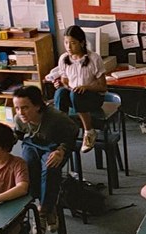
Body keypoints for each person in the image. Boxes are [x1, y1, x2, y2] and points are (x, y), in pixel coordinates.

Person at [12, 85, 79, 234]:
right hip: (32, 144)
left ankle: (43, 210)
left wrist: (61, 150)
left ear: (37, 106)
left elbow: (73, 132)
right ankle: (49, 206)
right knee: (27, 167)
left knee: (49, 168)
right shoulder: (19, 119)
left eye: (25, 108)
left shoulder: (56, 117)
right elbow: (18, 135)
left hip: (54, 146)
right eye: (17, 108)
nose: (20, 112)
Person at [51, 25, 107, 154]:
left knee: (76, 94)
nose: (68, 47)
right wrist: (60, 84)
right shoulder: (64, 59)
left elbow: (103, 87)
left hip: (93, 98)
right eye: (66, 43)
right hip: (74, 96)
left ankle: (89, 131)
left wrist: (86, 87)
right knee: (60, 93)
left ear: (82, 43)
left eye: (73, 43)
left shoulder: (94, 58)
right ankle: (62, 129)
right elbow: (65, 81)